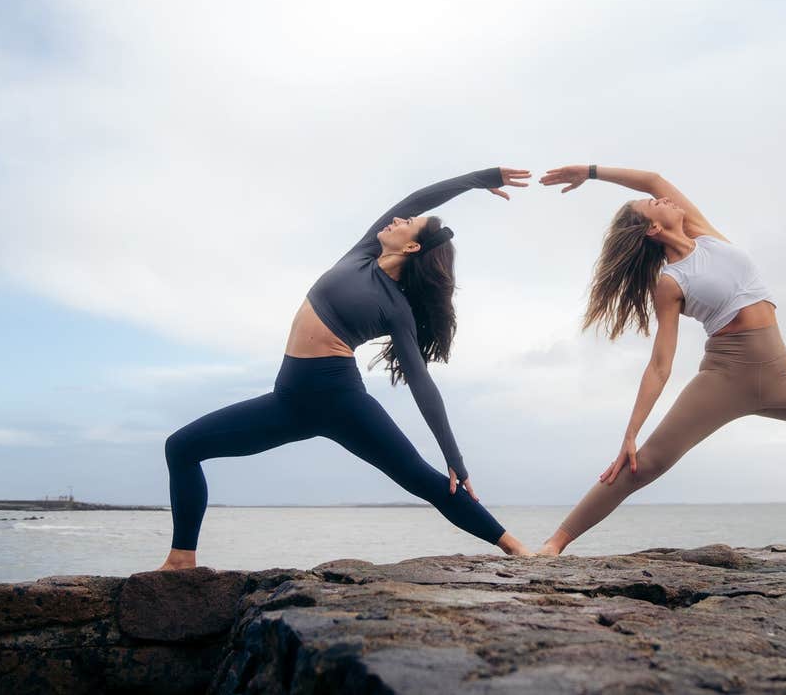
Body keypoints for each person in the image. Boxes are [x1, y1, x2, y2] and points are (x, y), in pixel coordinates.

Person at [536, 164, 786, 562]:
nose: (660, 198)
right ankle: (555, 542)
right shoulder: (670, 281)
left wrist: (590, 172)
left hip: (780, 376)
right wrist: (631, 432)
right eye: (651, 204)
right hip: (725, 380)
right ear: (653, 229)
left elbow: (652, 178)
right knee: (644, 465)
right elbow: (661, 363)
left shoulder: (706, 236)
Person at [157, 166, 533, 571]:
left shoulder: (397, 307)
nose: (398, 219)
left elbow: (421, 382)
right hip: (289, 402)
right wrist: (481, 178)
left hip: (341, 401)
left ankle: (517, 549)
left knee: (424, 480)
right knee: (182, 448)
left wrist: (454, 457)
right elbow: (419, 199)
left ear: (411, 249)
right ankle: (182, 560)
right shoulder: (362, 254)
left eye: (409, 225)